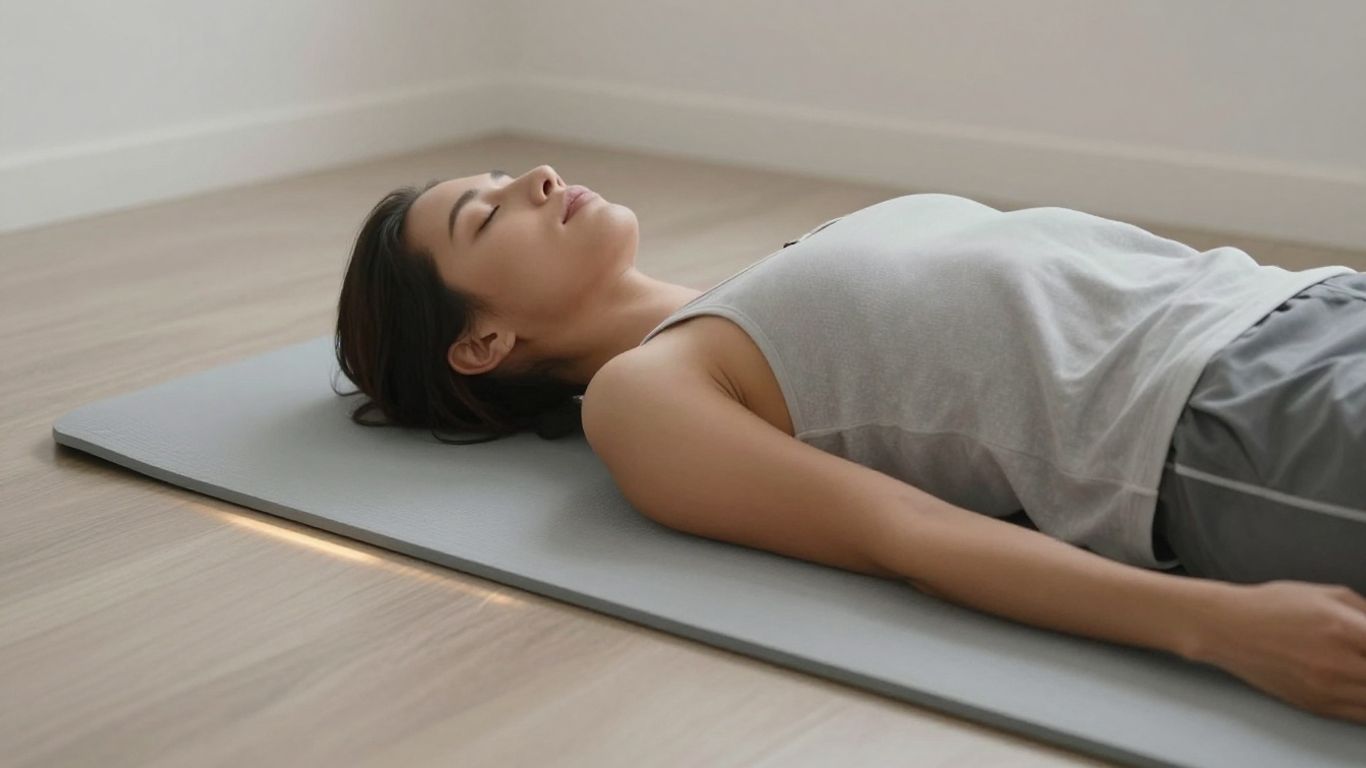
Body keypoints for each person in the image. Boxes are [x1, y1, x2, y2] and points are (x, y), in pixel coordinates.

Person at [335, 164, 1366, 723]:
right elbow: (906, 534)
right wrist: (1220, 629)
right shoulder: (645, 393)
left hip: (1306, 302)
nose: (539, 177)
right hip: (1230, 421)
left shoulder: (780, 265)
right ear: (481, 342)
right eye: (487, 214)